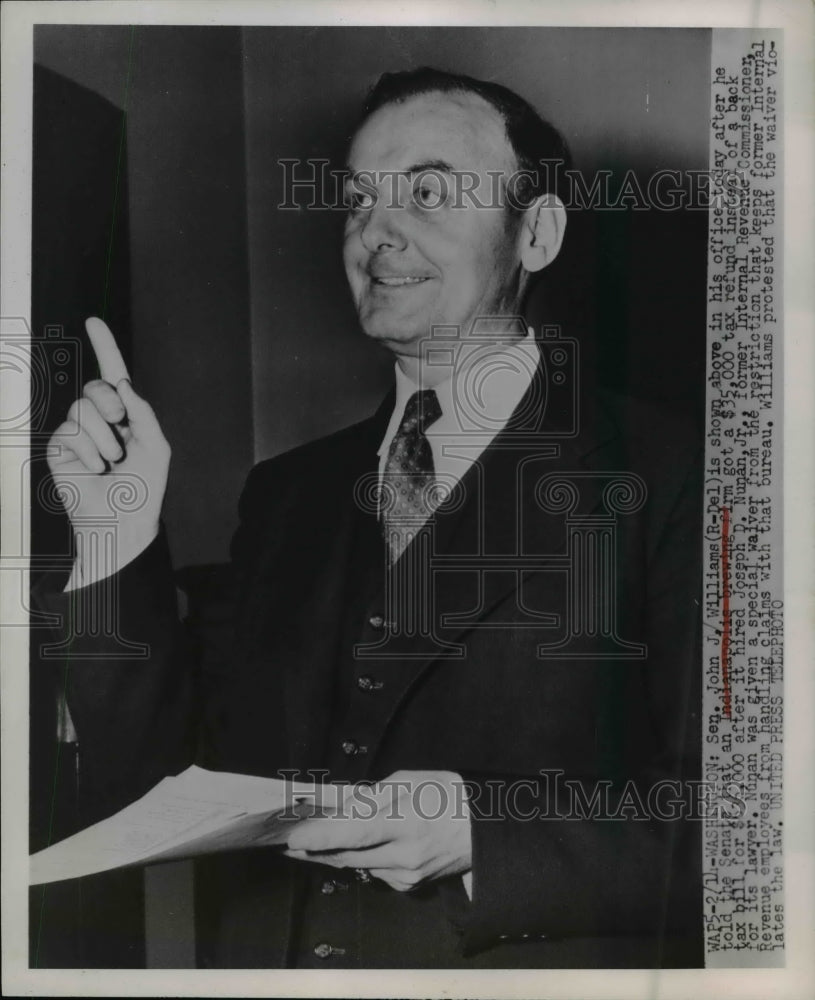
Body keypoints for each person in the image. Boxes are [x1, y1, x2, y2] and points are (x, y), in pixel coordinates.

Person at [37, 68, 703, 968]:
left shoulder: (675, 475)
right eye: (357, 200)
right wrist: (113, 538)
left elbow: (748, 830)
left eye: (426, 192)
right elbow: (162, 785)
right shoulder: (287, 495)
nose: (375, 231)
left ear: (536, 233)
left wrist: (486, 833)